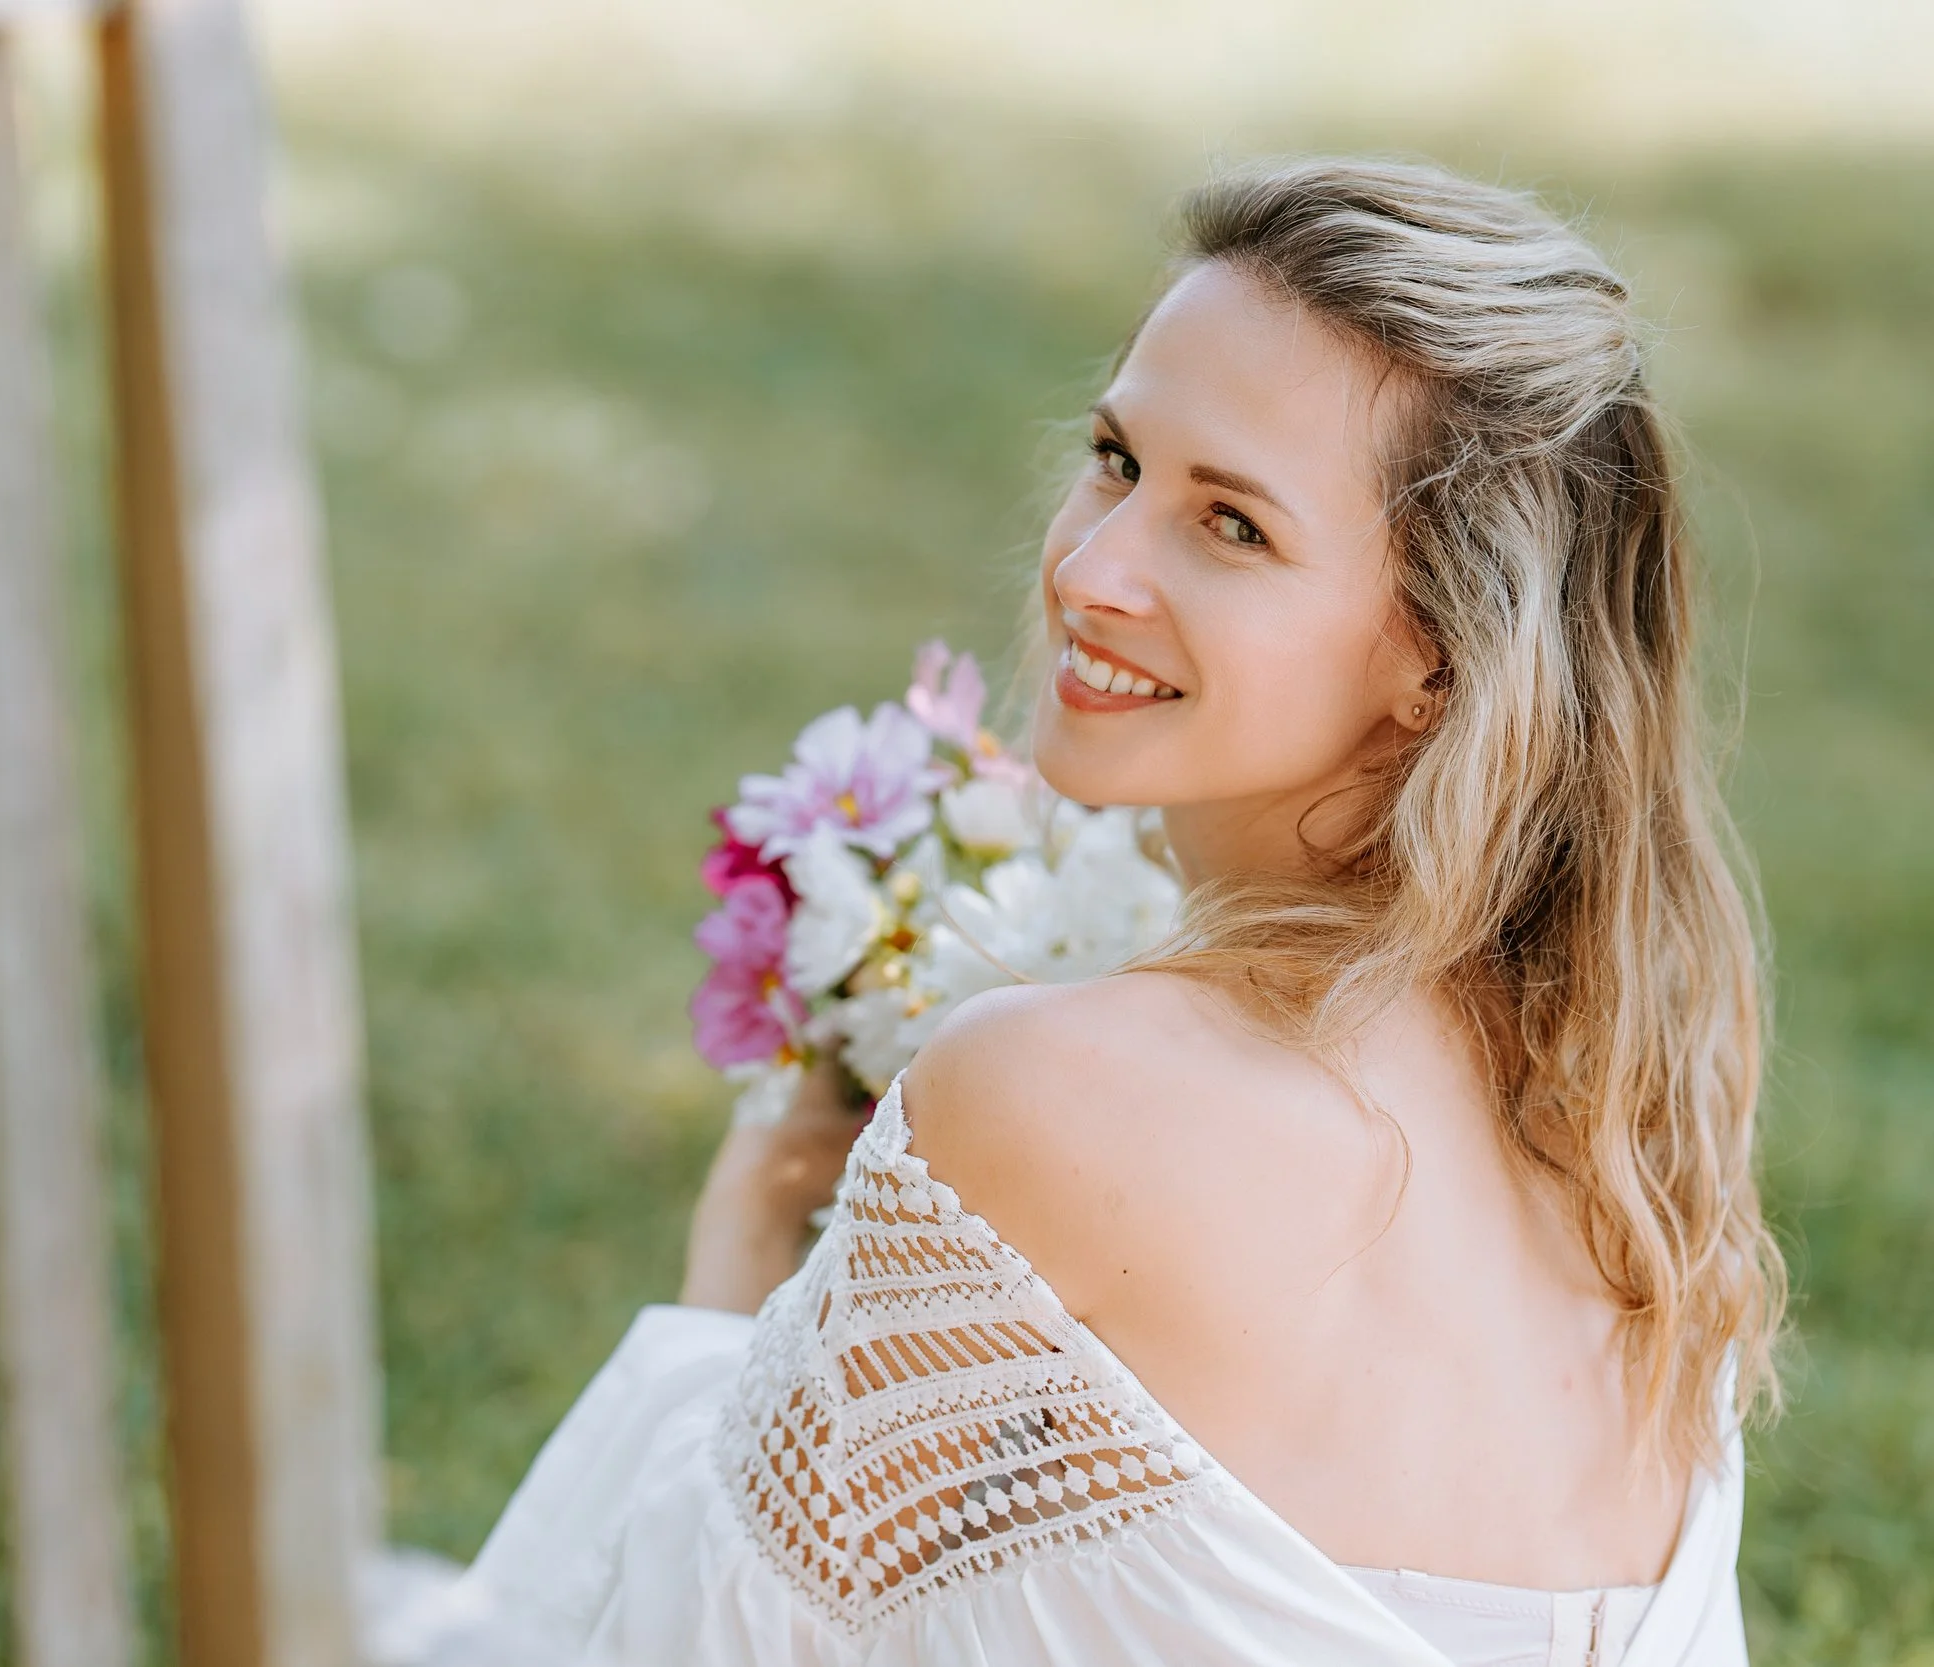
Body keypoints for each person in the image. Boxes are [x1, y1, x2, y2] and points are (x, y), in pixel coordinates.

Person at [444, 155, 1785, 1666]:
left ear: (1442, 658)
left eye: (1235, 528)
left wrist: (739, 1265)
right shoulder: (1624, 1129)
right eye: (1117, 457)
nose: (1092, 566)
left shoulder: (1054, 1089)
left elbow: (684, 1634)